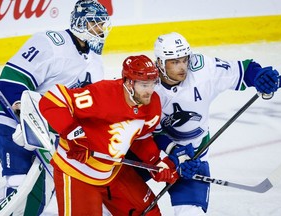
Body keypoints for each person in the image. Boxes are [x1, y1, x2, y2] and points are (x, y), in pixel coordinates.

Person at [0, 0, 111, 215]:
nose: (100, 29)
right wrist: (23, 111)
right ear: (79, 22)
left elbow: (87, 108)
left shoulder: (95, 61)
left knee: (42, 189)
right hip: (11, 119)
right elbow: (10, 80)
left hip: (50, 132)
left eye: (102, 24)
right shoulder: (51, 43)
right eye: (94, 23)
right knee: (19, 180)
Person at [151, 32, 281, 215]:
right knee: (115, 198)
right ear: (160, 63)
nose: (182, 67)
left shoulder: (203, 72)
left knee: (190, 213)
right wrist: (173, 152)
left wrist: (260, 76)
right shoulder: (148, 84)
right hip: (149, 154)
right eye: (174, 62)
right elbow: (148, 131)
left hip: (193, 158)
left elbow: (243, 70)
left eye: (184, 60)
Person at [38, 55, 179, 215]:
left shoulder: (152, 103)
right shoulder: (104, 94)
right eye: (144, 85)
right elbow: (53, 99)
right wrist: (75, 137)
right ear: (129, 82)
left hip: (113, 170)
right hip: (77, 172)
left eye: (153, 84)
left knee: (147, 212)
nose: (149, 91)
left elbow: (140, 137)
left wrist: (156, 162)